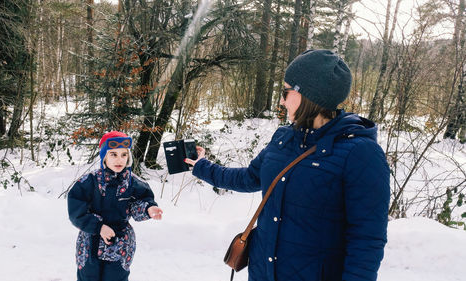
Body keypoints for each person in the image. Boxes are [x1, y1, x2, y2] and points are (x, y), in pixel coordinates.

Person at [185, 49, 390, 281]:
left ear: (309, 95)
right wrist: (202, 166)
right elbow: (248, 178)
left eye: (286, 91)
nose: (281, 100)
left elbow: (367, 239)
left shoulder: (360, 153)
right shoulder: (283, 139)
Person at [68, 131, 163, 281]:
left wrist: (148, 209)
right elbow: (76, 212)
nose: (119, 159)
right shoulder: (89, 181)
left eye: (123, 155)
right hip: (90, 243)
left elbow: (138, 203)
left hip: (120, 244)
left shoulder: (133, 182)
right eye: (113, 154)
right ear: (104, 156)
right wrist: (98, 227)